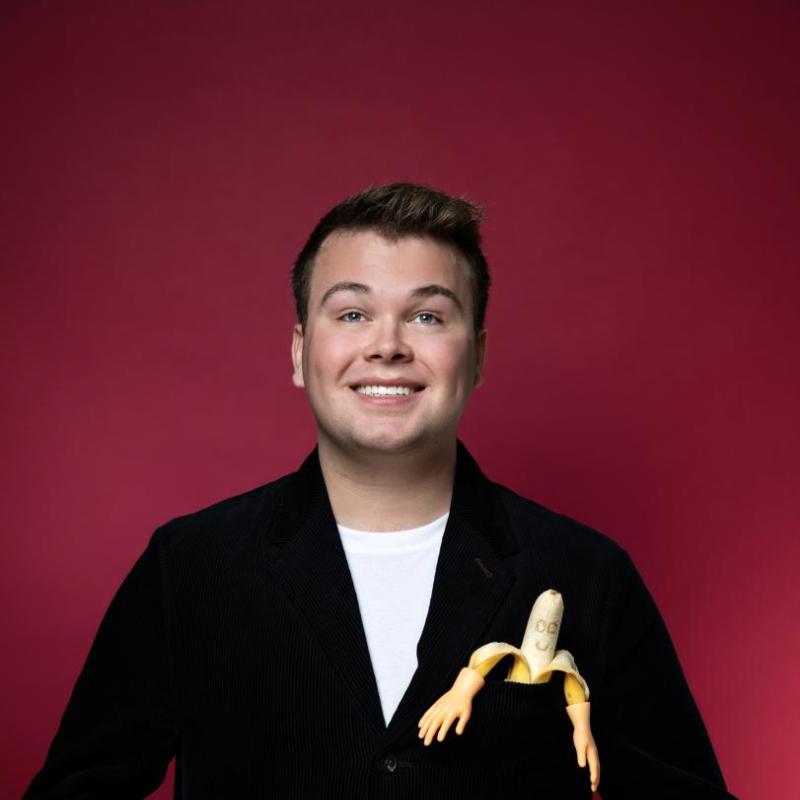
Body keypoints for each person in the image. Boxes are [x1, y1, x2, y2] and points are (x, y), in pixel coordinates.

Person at [25, 183, 736, 798]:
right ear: (302, 353)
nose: (388, 345)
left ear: (477, 356)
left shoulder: (586, 573)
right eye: (353, 313)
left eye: (428, 315)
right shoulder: (189, 567)